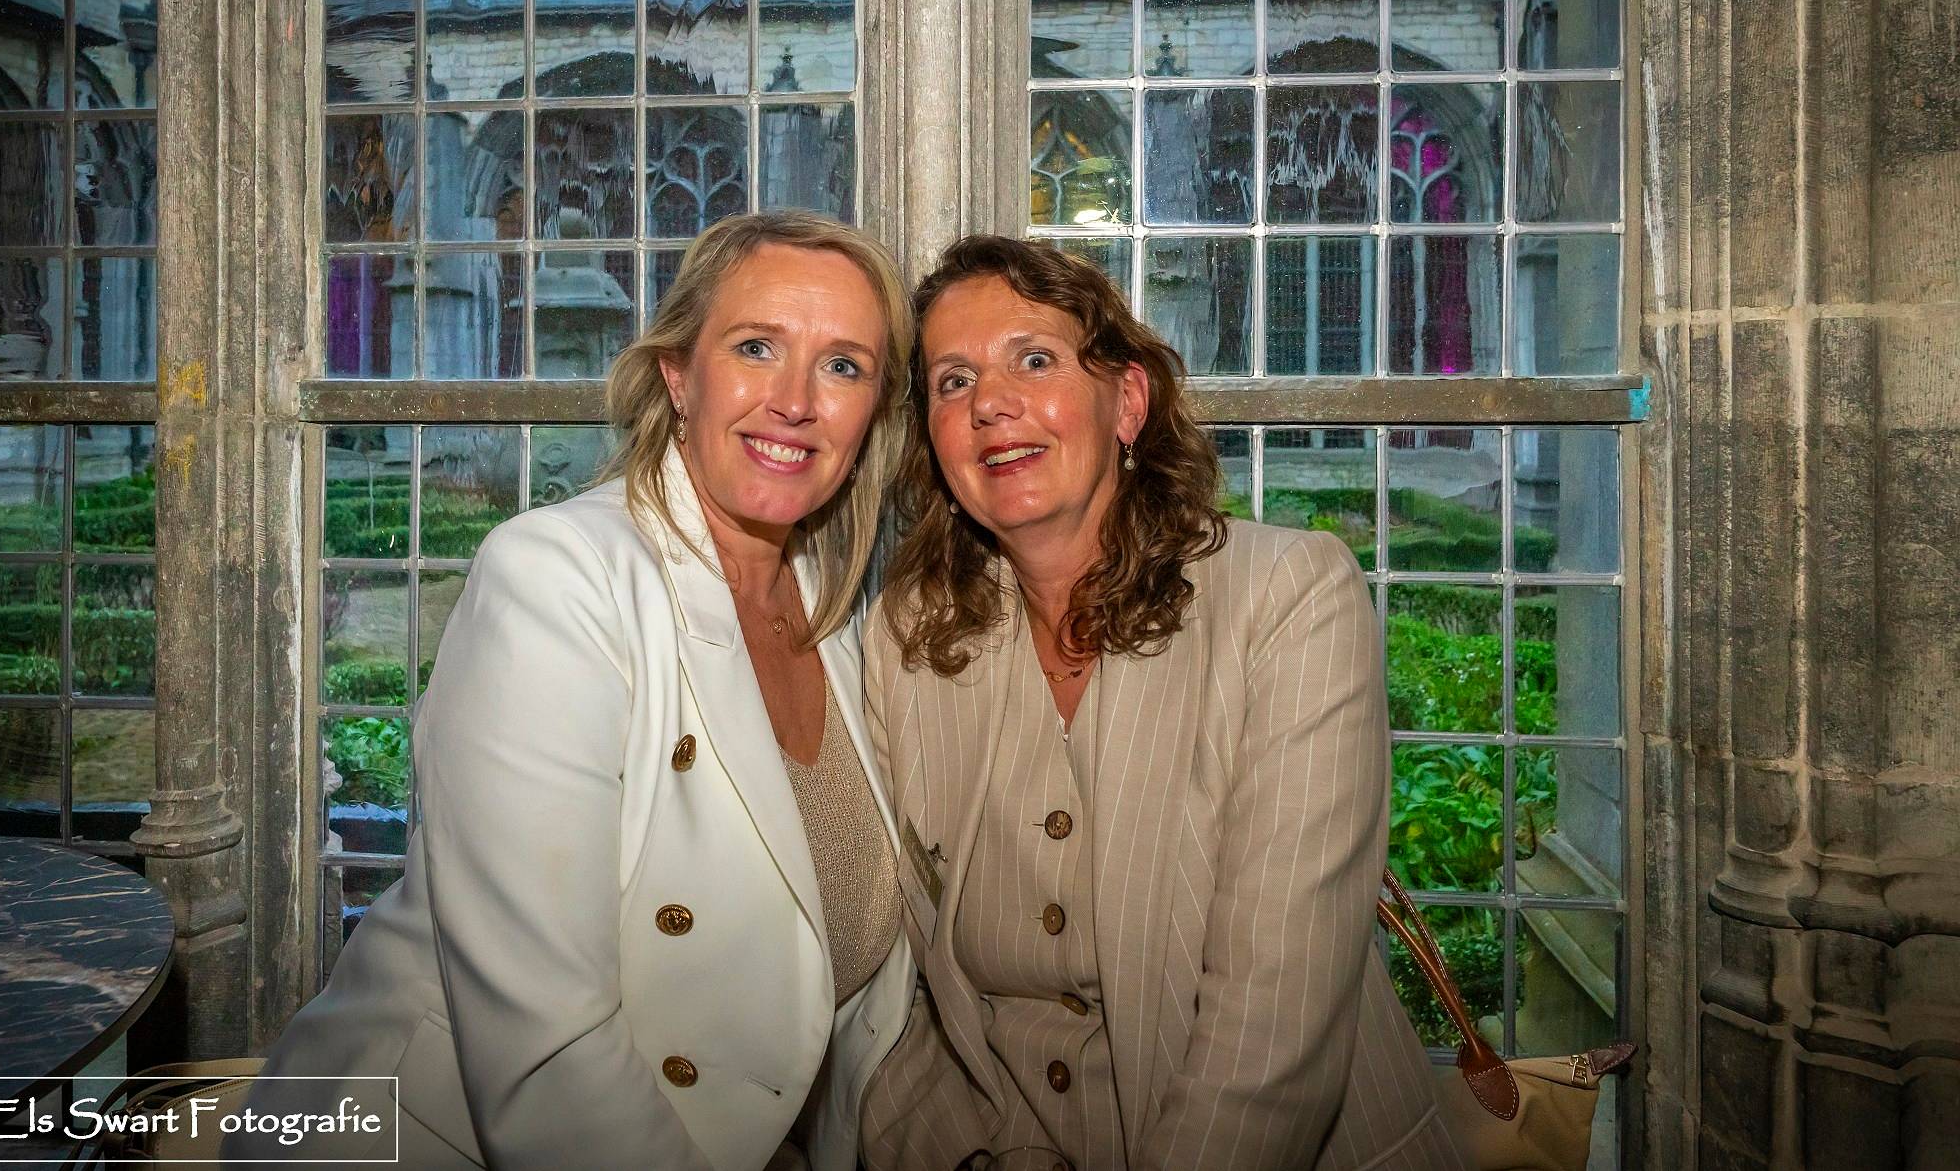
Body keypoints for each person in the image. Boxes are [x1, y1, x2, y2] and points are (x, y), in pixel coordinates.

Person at [232, 212, 917, 1171]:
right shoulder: (557, 579)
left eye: (843, 365)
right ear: (679, 376)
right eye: (756, 347)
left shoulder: (837, 616)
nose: (796, 401)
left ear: (873, 412)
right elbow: (550, 1059)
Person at [859, 236, 1465, 1171]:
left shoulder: (1289, 596)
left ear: (1128, 403)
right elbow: (902, 987)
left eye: (1035, 359)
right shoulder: (907, 635)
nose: (990, 402)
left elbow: (1271, 1026)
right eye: (953, 380)